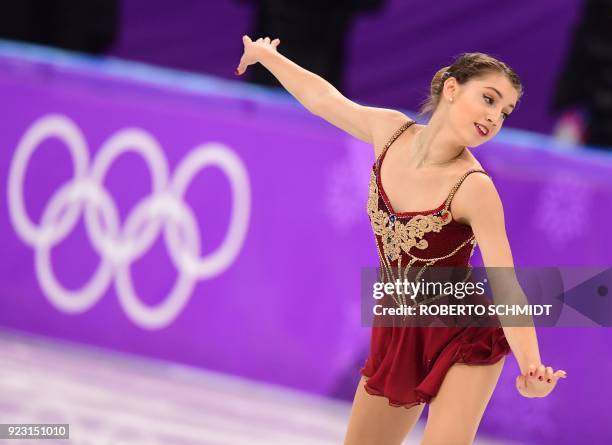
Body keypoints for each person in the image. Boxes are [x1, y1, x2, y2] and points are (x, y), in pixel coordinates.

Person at [235, 36, 568, 445]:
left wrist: (531, 367)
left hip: (464, 332)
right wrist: (268, 57)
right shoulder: (390, 131)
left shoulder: (474, 187)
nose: (495, 116)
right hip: (399, 325)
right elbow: (323, 98)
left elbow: (506, 283)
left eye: (505, 111)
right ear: (451, 88)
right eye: (489, 98)